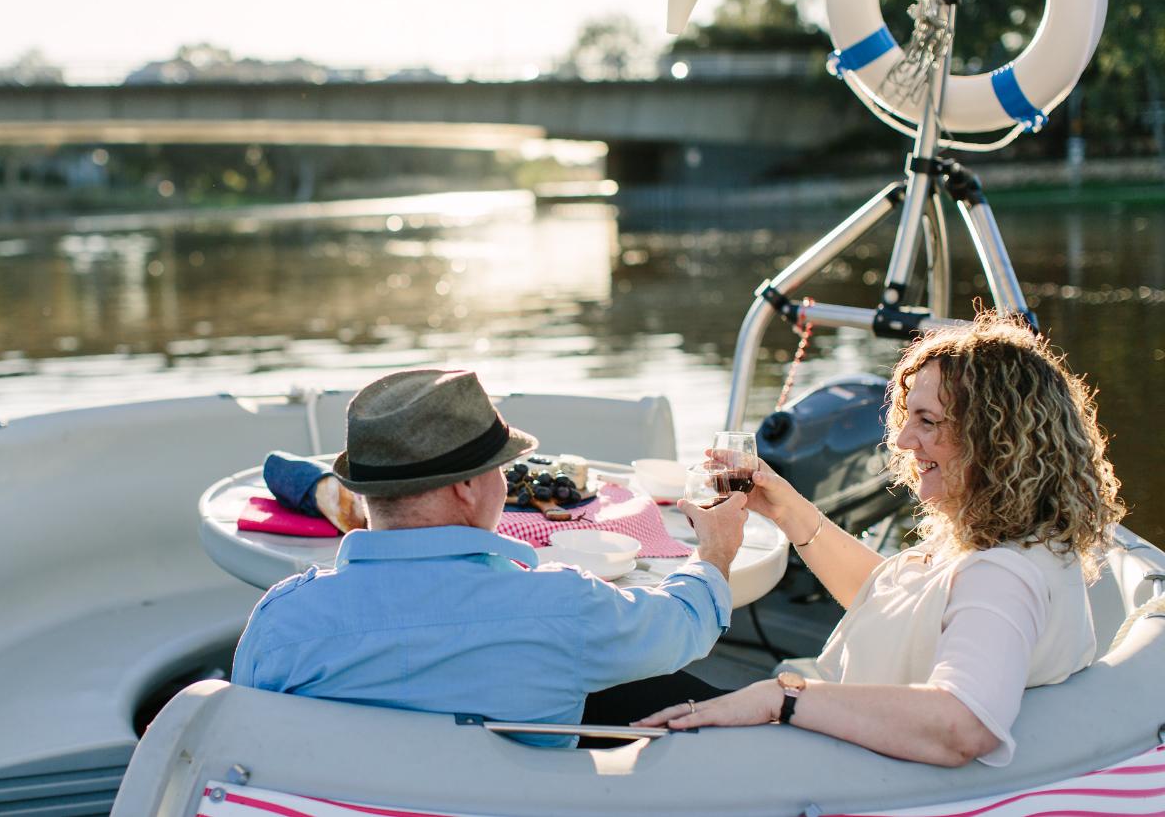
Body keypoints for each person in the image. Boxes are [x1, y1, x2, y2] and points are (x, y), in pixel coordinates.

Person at [639, 313, 1125, 766]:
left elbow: (964, 726)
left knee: (608, 681)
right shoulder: (1006, 539)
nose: (903, 440)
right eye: (908, 416)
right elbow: (896, 606)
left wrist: (781, 698)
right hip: (812, 731)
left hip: (806, 758)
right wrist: (784, 506)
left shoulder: (1002, 574)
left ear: (999, 441)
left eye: (929, 421)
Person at [231, 368, 747, 746]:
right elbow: (683, 627)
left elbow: (253, 742)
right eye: (501, 467)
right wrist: (715, 551)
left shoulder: (281, 623)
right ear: (466, 488)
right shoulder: (567, 608)